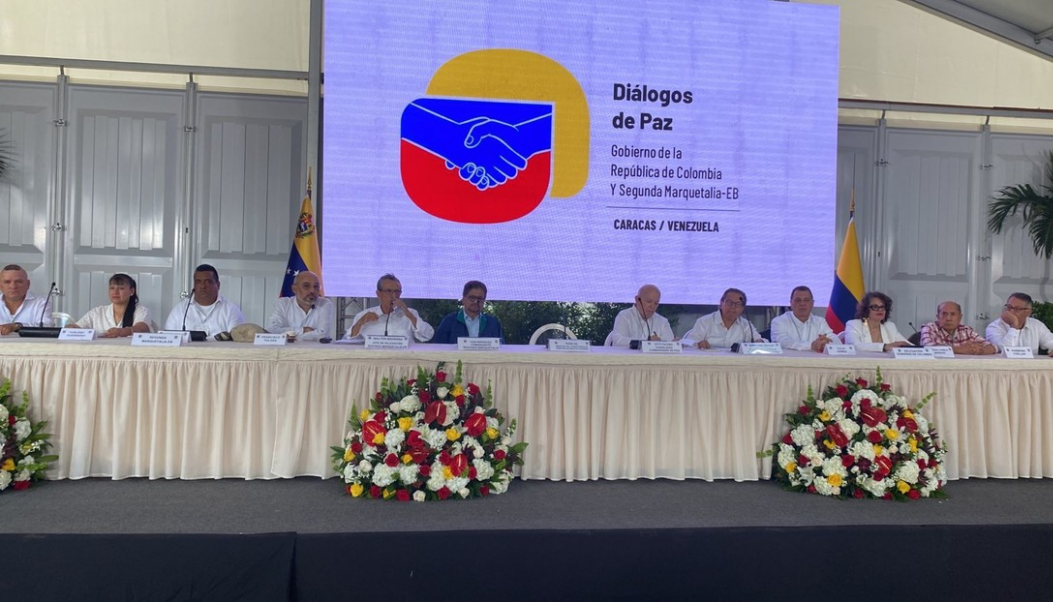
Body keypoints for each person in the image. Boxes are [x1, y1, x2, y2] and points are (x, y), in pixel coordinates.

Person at [163, 264, 246, 341]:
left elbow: (237, 341)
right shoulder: (179, 310)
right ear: (194, 285)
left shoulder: (231, 311)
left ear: (218, 285)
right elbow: (167, 340)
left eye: (208, 282)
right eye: (198, 281)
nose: (202, 286)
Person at [346, 274, 434, 342]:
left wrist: (408, 314)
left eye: (397, 291)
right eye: (389, 291)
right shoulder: (364, 315)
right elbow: (349, 341)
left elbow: (428, 335)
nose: (394, 295)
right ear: (378, 294)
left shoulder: (410, 313)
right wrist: (360, 322)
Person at [68, 273, 152, 337]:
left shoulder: (141, 311)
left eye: (121, 288)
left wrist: (122, 332)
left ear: (132, 291)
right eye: (112, 288)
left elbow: (142, 327)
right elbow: (78, 327)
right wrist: (71, 328)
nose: (115, 292)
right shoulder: (97, 312)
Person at [681, 288, 764, 349]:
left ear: (742, 309)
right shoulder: (704, 321)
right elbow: (687, 342)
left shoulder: (746, 325)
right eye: (729, 302)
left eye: (738, 304)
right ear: (721, 303)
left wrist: (759, 343)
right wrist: (698, 343)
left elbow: (760, 341)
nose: (733, 307)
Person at [266, 271, 334, 341]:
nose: (312, 291)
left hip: (316, 350)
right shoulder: (284, 304)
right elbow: (271, 330)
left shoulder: (325, 304)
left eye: (316, 286)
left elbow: (323, 334)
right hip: (287, 350)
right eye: (306, 286)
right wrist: (302, 330)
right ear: (294, 289)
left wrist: (290, 336)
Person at [432, 280, 504, 343]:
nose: (476, 301)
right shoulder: (449, 321)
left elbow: (502, 349)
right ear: (463, 299)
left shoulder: (493, 323)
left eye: (480, 298)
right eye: (472, 298)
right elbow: (439, 348)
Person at [769, 285, 835, 352]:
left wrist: (826, 343)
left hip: (815, 362)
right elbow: (782, 342)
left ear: (812, 303)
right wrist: (811, 345)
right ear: (791, 303)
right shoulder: (779, 321)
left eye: (806, 300)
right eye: (798, 300)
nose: (802, 303)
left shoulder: (820, 322)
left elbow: (835, 340)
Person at [605, 284, 674, 346]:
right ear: (637, 300)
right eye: (649, 301)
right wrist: (644, 342)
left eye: (656, 303)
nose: (652, 306)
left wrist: (675, 344)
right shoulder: (624, 316)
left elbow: (669, 343)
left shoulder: (663, 322)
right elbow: (619, 341)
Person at [985, 292, 1053, 356]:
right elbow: (1005, 351)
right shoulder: (994, 327)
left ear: (1028, 312)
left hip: (1031, 366)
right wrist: (1014, 326)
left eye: (1017, 309)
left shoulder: (1037, 326)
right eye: (1009, 307)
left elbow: (1051, 342)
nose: (1011, 311)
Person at [843, 291, 911, 352]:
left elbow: (906, 345)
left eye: (882, 307)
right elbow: (854, 346)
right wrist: (884, 347)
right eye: (875, 307)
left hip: (887, 364)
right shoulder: (854, 325)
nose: (880, 310)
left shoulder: (890, 326)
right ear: (866, 309)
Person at [920, 301, 996, 355]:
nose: (948, 318)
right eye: (944, 314)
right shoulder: (929, 328)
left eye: (953, 314)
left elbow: (993, 347)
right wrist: (961, 349)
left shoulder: (966, 330)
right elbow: (928, 348)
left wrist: (981, 350)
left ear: (960, 317)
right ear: (937, 317)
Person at [0, 264, 54, 334]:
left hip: (32, 344)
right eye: (7, 282)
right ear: (0, 286)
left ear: (28, 284)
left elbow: (47, 326)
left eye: (18, 282)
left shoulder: (41, 303)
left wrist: (17, 326)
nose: (13, 286)